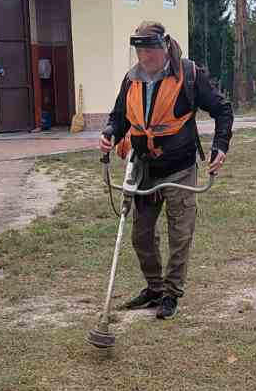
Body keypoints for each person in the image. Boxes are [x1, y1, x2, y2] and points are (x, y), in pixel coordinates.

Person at [99, 20, 232, 320]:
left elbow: (223, 109)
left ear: (164, 47)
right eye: (140, 53)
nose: (145, 60)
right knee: (140, 235)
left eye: (150, 52)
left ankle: (171, 294)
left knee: (179, 234)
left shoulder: (189, 74)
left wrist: (220, 145)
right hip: (145, 167)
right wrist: (110, 132)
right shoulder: (131, 79)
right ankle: (154, 288)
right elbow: (119, 116)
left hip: (180, 167)